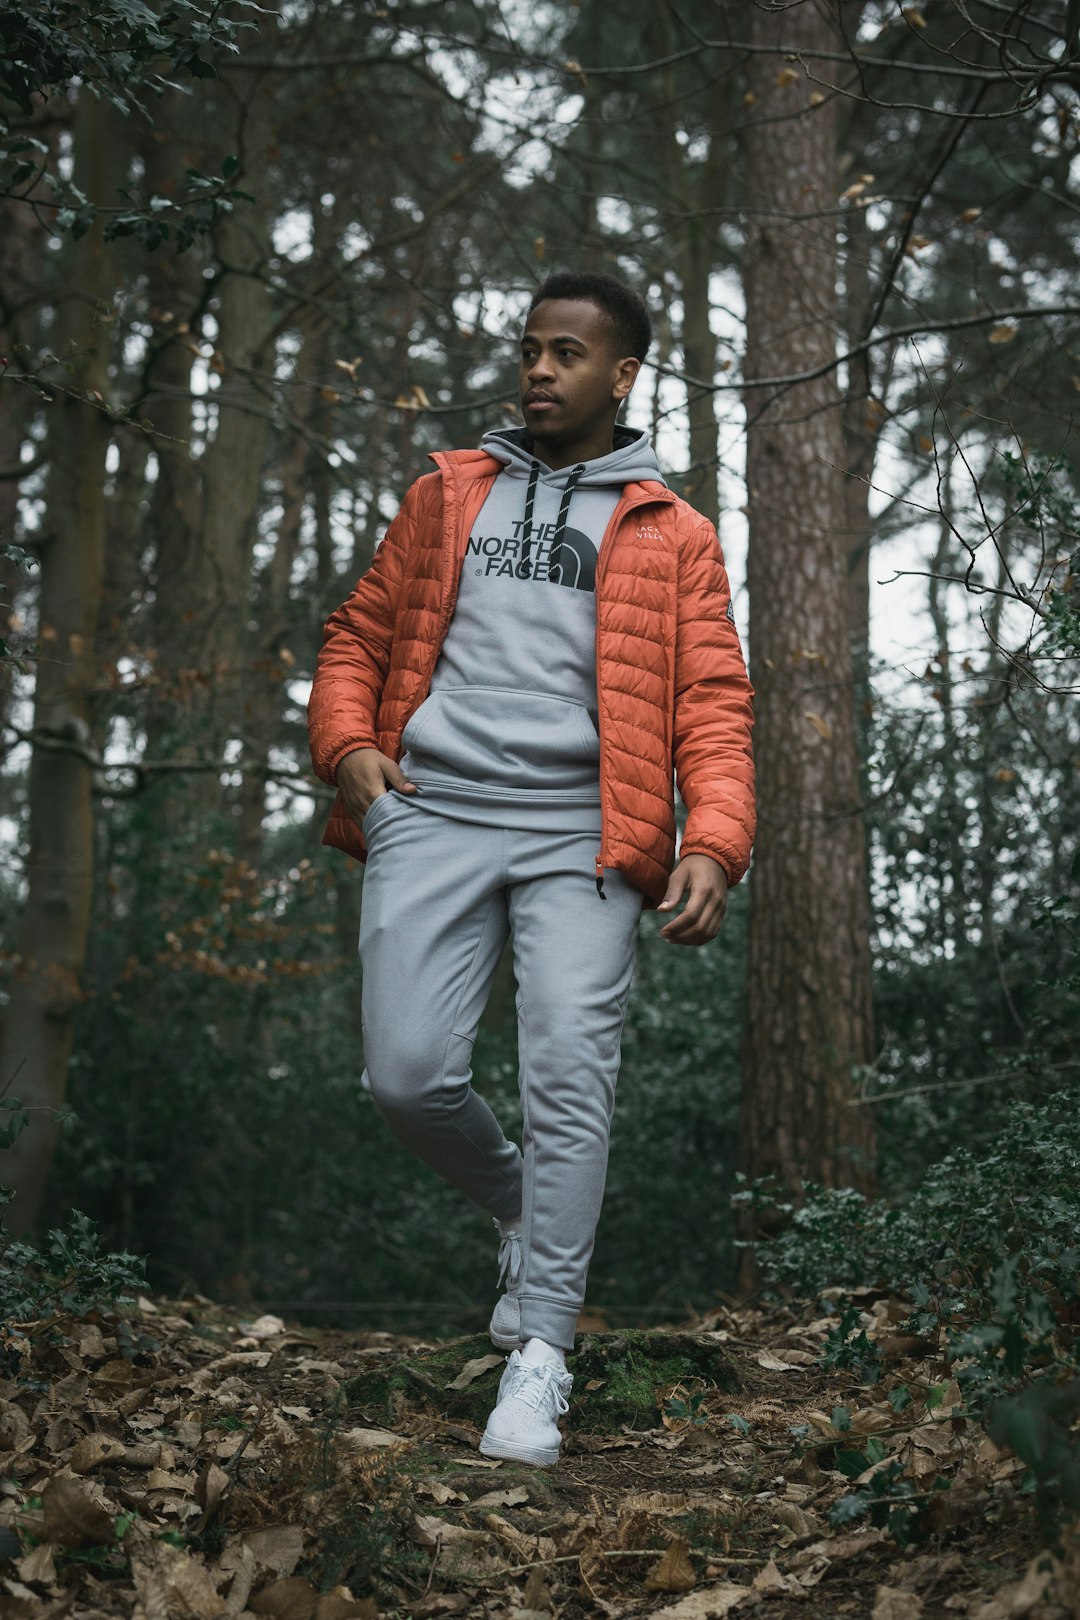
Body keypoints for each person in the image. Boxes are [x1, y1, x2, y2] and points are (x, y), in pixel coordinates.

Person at [307, 270, 755, 1468]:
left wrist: (713, 838)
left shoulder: (674, 531)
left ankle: (542, 1356)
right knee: (406, 1076)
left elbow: (712, 702)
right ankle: (517, 1206)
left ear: (622, 377)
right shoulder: (448, 493)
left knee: (569, 1072)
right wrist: (349, 750)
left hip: (586, 833)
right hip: (435, 809)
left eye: (567, 354)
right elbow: (356, 633)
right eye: (529, 350)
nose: (538, 371)